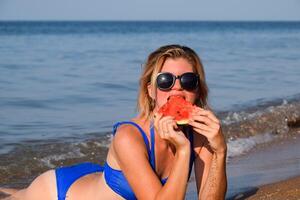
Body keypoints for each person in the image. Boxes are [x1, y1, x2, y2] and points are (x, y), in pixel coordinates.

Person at [1, 44, 227, 200]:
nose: (177, 87)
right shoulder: (129, 136)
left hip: (96, 178)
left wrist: (219, 151)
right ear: (150, 90)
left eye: (188, 80)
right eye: (165, 80)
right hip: (57, 193)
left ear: (198, 90)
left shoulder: (199, 133)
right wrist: (184, 150)